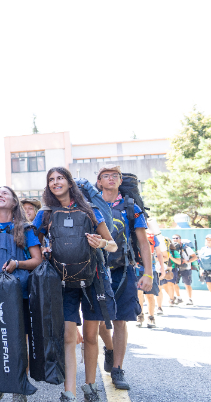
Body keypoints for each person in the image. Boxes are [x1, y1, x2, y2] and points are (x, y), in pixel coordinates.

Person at [32, 167, 116, 402]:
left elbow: (113, 245)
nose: (56, 183)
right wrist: (42, 248)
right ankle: (70, 391)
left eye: (60, 178)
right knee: (69, 335)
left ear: (70, 183)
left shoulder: (90, 211)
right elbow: (32, 240)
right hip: (61, 282)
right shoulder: (45, 213)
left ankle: (89, 385)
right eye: (51, 180)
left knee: (90, 336)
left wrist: (100, 243)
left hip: (92, 280)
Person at [94, 165, 153, 393]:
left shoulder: (131, 207)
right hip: (97, 269)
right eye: (105, 176)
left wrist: (148, 274)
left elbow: (144, 243)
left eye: (115, 176)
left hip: (123, 268)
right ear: (99, 182)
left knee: (120, 321)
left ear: (120, 181)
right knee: (97, 321)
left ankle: (117, 368)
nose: (110, 179)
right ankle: (109, 349)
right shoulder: (91, 206)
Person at [0, 186, 42, 402]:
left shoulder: (25, 228)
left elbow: (37, 260)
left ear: (14, 202)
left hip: (19, 293)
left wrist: (18, 264)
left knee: (19, 337)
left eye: (4, 193)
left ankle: (19, 384)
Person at [136, 233, 166, 327]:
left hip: (150, 270)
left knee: (149, 295)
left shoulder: (152, 237)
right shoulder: (133, 235)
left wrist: (162, 269)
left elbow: (159, 254)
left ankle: (151, 317)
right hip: (136, 269)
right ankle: (140, 315)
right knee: (139, 294)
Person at [169, 236, 198, 305]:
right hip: (176, 268)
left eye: (177, 238)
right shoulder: (172, 248)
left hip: (186, 268)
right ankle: (179, 297)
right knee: (174, 283)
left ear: (180, 239)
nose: (175, 239)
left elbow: (195, 257)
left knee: (187, 284)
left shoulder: (186, 248)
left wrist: (188, 261)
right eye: (174, 238)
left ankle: (190, 299)